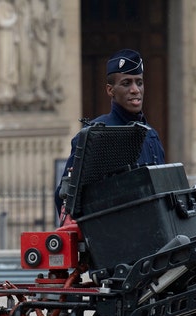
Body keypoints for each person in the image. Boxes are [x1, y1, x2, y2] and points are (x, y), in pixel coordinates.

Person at [54, 48, 166, 215]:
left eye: (139, 82)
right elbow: (66, 199)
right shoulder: (94, 135)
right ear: (110, 90)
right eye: (126, 83)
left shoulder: (151, 135)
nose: (135, 89)